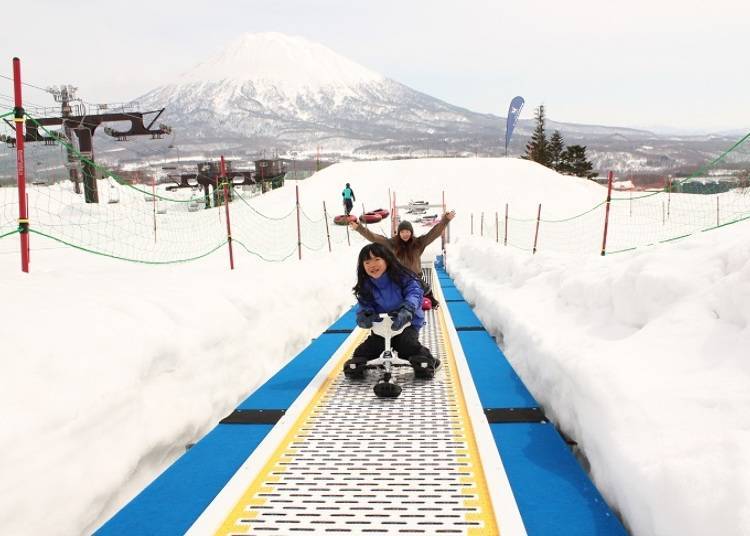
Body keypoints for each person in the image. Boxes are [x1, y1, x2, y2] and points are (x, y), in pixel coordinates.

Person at [344, 243, 439, 379]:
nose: (372, 265)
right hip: (382, 326)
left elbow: (414, 292)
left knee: (406, 345)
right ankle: (359, 366)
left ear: (387, 260)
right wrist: (365, 314)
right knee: (365, 351)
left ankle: (428, 361)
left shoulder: (401, 276)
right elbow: (365, 303)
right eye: (367, 262)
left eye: (377, 259)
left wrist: (408, 308)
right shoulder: (366, 285)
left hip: (406, 323)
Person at [350, 210, 456, 308]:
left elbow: (434, 233)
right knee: (398, 296)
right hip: (398, 278)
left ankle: (423, 299)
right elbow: (374, 237)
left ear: (411, 232)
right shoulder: (392, 244)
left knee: (426, 291)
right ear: (399, 233)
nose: (405, 234)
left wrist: (445, 220)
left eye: (407, 232)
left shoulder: (418, 243)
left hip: (415, 278)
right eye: (402, 232)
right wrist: (359, 228)